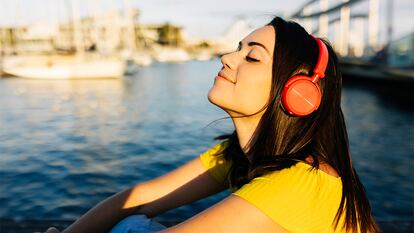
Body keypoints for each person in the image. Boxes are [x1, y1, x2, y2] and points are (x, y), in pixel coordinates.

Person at [45, 16, 379, 233]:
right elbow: (141, 198)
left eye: (251, 57)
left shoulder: (302, 184)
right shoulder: (239, 154)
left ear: (297, 93)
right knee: (132, 222)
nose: (227, 58)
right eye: (238, 48)